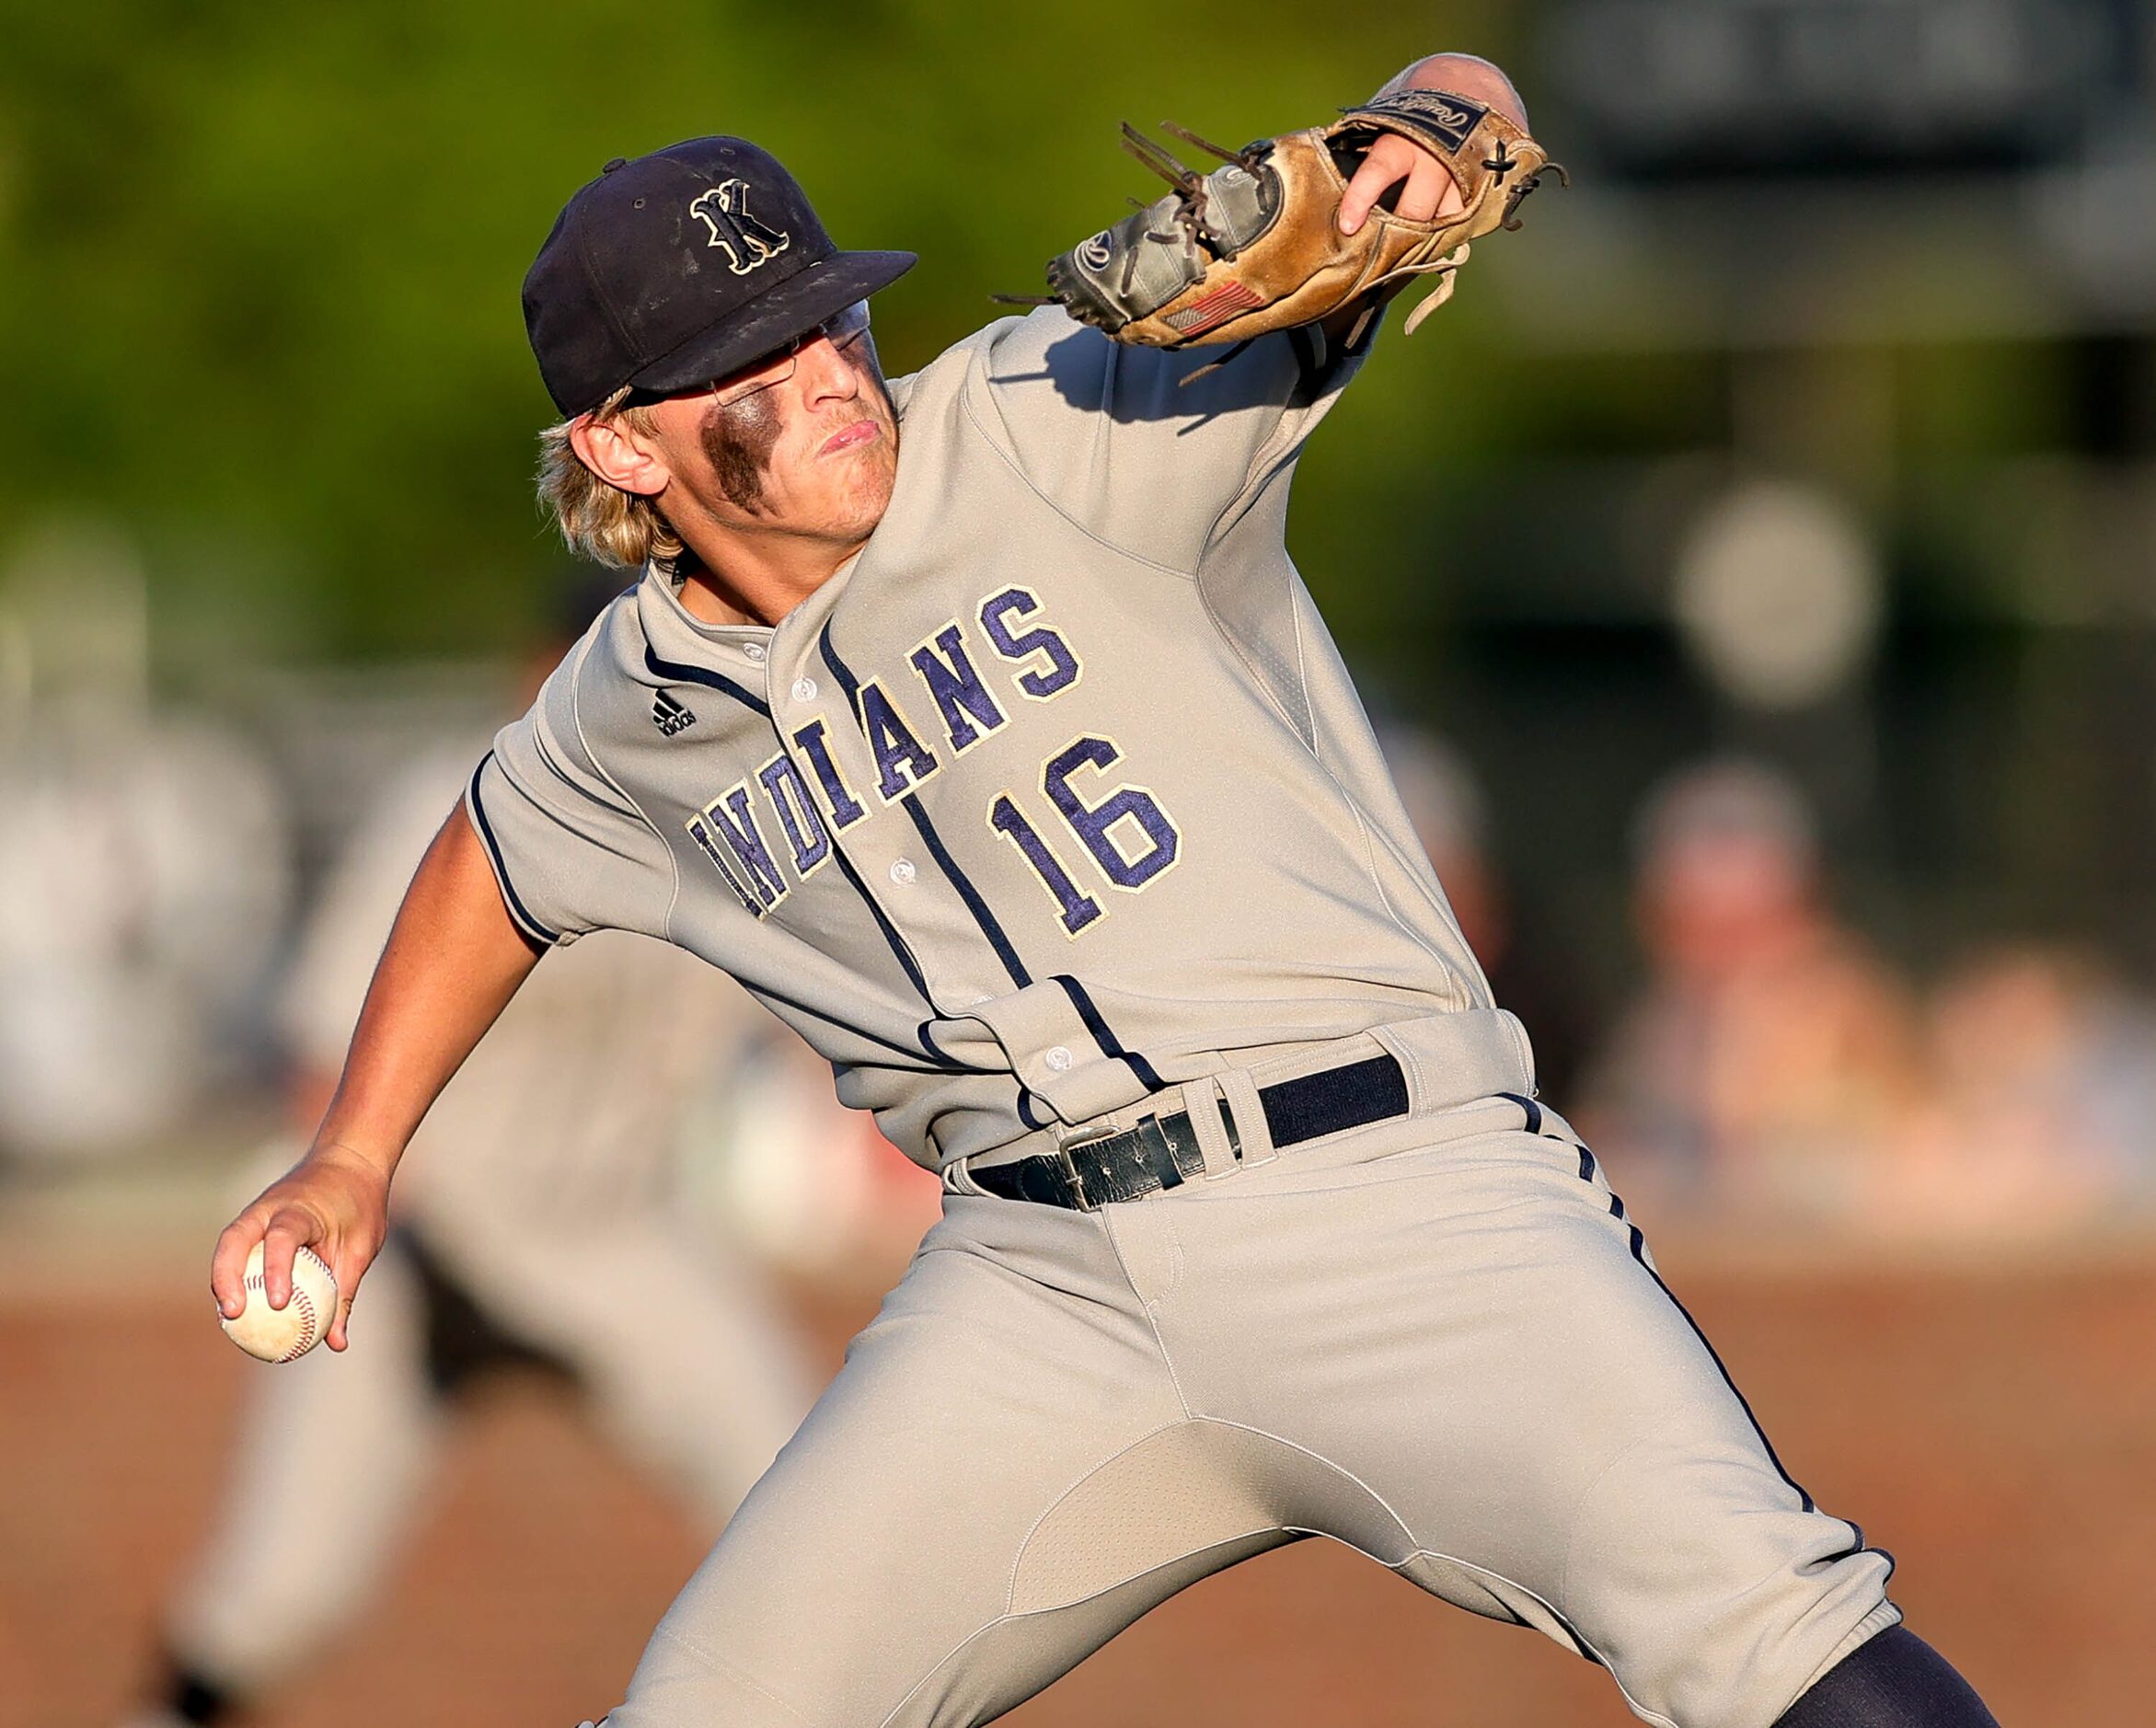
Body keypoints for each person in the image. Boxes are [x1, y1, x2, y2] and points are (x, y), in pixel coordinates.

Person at [212, 53, 2000, 1727]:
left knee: (1786, 1649)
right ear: (622, 448)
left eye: (829, 316)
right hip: (1033, 1288)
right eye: (753, 362)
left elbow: (1462, 104)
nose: (834, 371)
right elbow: (492, 862)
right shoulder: (624, 712)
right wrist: (354, 1156)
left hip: (1396, 1202)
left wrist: (1415, 126)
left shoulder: (1054, 414)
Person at [133, 613, 815, 1728]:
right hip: (422, 1245)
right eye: (586, 647)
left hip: (617, 1234)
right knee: (274, 1592)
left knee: (811, 1499)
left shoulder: (741, 816)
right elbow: (324, 1045)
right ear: (537, 665)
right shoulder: (453, 801)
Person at [1579, 759, 1926, 1224]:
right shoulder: (1652, 1036)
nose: (1726, 965)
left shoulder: (1855, 1031)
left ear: (1810, 911)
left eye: (1749, 930)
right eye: (1696, 931)